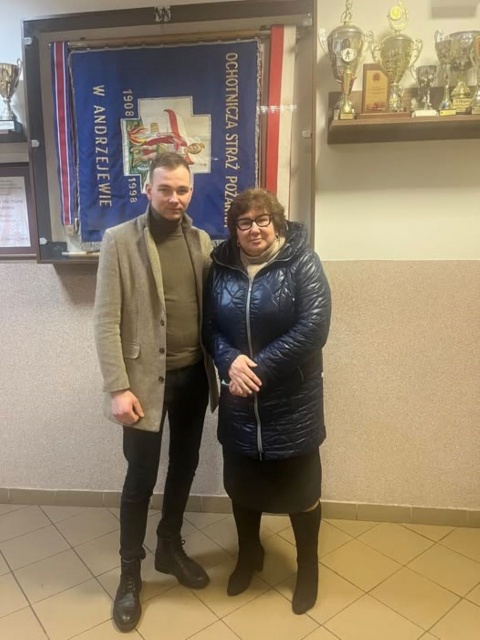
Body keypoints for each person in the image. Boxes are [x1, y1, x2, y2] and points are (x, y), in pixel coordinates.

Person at [94, 151, 218, 633]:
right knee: (140, 478)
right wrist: (118, 387)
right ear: (148, 190)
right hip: (143, 386)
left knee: (184, 466)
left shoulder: (202, 241)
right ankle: (130, 573)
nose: (174, 197)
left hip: (193, 378)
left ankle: (169, 546)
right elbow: (106, 320)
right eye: (164, 189)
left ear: (191, 191)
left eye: (182, 189)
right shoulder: (119, 240)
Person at [203, 188, 331, 615]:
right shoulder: (220, 266)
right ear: (234, 229)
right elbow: (209, 327)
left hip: (291, 403)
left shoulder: (302, 261)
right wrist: (229, 361)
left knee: (302, 491)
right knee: (243, 488)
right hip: (239, 401)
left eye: (262, 220)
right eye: (245, 222)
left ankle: (307, 568)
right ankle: (249, 556)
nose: (254, 229)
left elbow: (314, 327)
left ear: (276, 223)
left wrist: (255, 370)